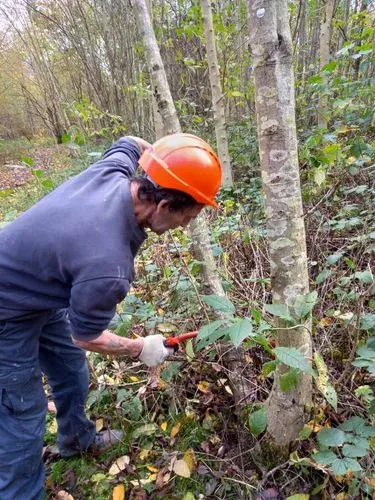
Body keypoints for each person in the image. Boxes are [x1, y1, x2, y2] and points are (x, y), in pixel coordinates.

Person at [0, 132, 222, 499]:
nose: (186, 226)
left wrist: (167, 158)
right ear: (164, 204)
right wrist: (140, 348)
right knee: (22, 413)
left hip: (33, 290)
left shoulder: (113, 173)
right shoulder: (109, 265)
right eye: (189, 215)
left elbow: (129, 141)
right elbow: (85, 335)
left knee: (70, 368)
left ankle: (77, 439)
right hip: (5, 313)